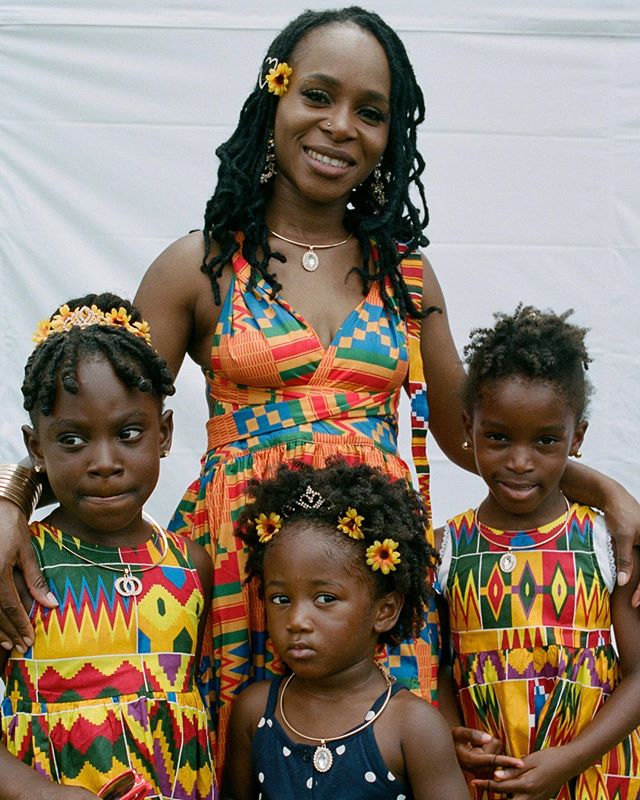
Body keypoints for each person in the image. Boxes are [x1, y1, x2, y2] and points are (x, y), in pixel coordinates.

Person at [1, 4, 640, 771]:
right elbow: (101, 416)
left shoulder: (407, 276)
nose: (340, 126)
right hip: (245, 574)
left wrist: (610, 495)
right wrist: (11, 502)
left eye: (369, 112)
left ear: (389, 137)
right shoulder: (199, 266)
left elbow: (479, 438)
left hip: (371, 580)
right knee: (244, 764)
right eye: (317, 96)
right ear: (275, 99)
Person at [0, 294, 216, 799]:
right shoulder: (22, 566)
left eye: (128, 433)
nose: (104, 462)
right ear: (36, 448)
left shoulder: (191, 566)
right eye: (72, 440)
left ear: (163, 433)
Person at [435, 305, 640, 800]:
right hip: (493, 785)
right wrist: (448, 733)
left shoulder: (607, 543)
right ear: (469, 427)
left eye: (547, 441)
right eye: (498, 437)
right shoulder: (445, 551)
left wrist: (567, 761)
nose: (520, 462)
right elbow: (437, 667)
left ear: (578, 438)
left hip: (599, 778)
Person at [222, 459, 474, 800]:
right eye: (280, 598)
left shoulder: (412, 726)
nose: (296, 620)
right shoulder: (255, 712)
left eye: (325, 598)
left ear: (384, 611)